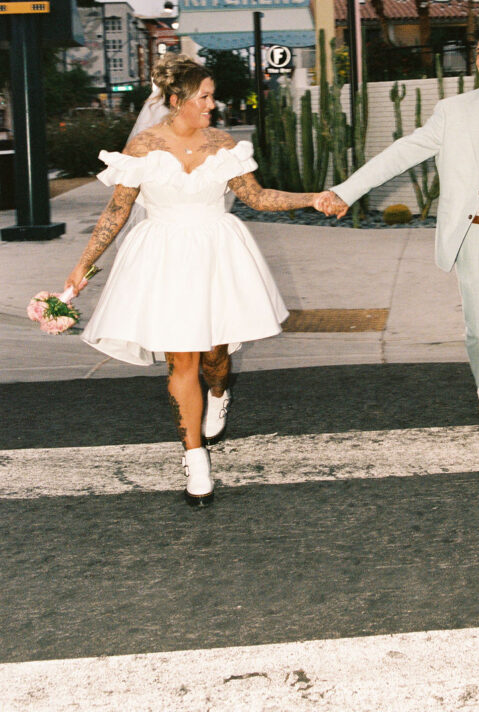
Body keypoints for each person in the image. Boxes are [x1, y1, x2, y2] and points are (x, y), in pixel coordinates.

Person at [65, 54, 324, 508]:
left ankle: (220, 392)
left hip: (215, 252)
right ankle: (195, 460)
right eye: (204, 96)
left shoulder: (223, 143)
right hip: (162, 255)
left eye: (211, 95)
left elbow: (257, 198)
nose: (212, 103)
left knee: (214, 354)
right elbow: (117, 211)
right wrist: (83, 266)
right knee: (180, 359)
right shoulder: (143, 147)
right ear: (175, 100)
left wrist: (314, 198)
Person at [318, 20, 479, 477]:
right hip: (473, 234)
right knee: (478, 333)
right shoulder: (453, 111)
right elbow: (401, 152)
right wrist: (347, 190)